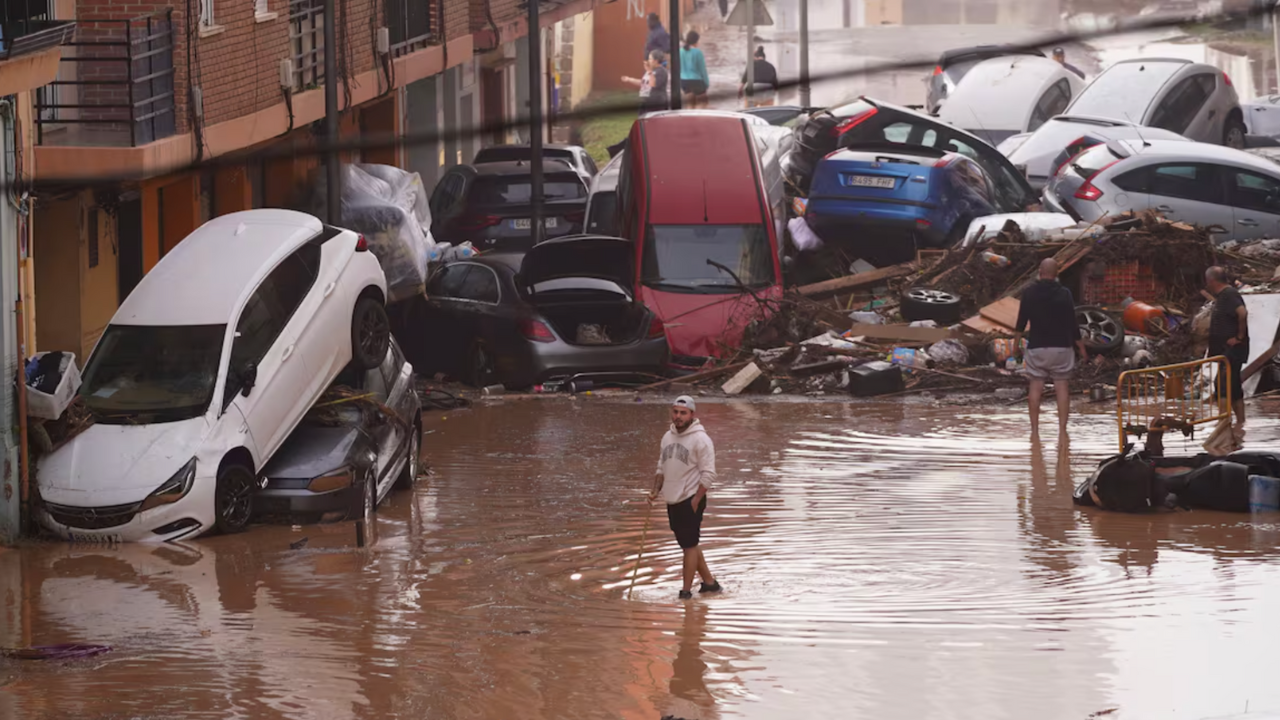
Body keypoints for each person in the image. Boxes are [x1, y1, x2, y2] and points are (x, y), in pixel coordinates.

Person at [648, 396, 720, 600]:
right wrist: (655, 491)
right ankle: (710, 584)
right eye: (675, 412)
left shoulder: (701, 440)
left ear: (692, 415)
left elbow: (709, 474)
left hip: (690, 498)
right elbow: (661, 468)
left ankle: (686, 592)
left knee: (688, 546)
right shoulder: (667, 437)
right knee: (690, 543)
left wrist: (695, 500)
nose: (678, 416)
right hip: (672, 499)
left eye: (683, 413)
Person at [1015, 258, 1088, 437]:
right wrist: (1082, 348)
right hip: (1061, 348)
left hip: (1037, 347)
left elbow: (1021, 320)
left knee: (1035, 387)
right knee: (1062, 387)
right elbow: (1072, 322)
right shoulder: (1064, 293)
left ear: (1040, 271)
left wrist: (1016, 343)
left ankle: (1034, 431)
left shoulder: (1029, 292)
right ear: (1056, 273)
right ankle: (1063, 431)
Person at [1206, 266, 1248, 427]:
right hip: (1227, 351)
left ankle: (1223, 422)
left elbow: (1242, 313)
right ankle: (1240, 423)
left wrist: (1239, 337)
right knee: (1234, 386)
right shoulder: (1224, 295)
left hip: (1232, 350)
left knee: (1222, 385)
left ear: (1211, 280)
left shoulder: (1229, 294)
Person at [680, 31, 710, 109]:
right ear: (696, 41)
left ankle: (689, 120)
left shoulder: (680, 51)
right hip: (697, 82)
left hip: (684, 81)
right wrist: (706, 83)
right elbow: (702, 70)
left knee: (689, 106)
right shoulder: (698, 52)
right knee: (702, 106)